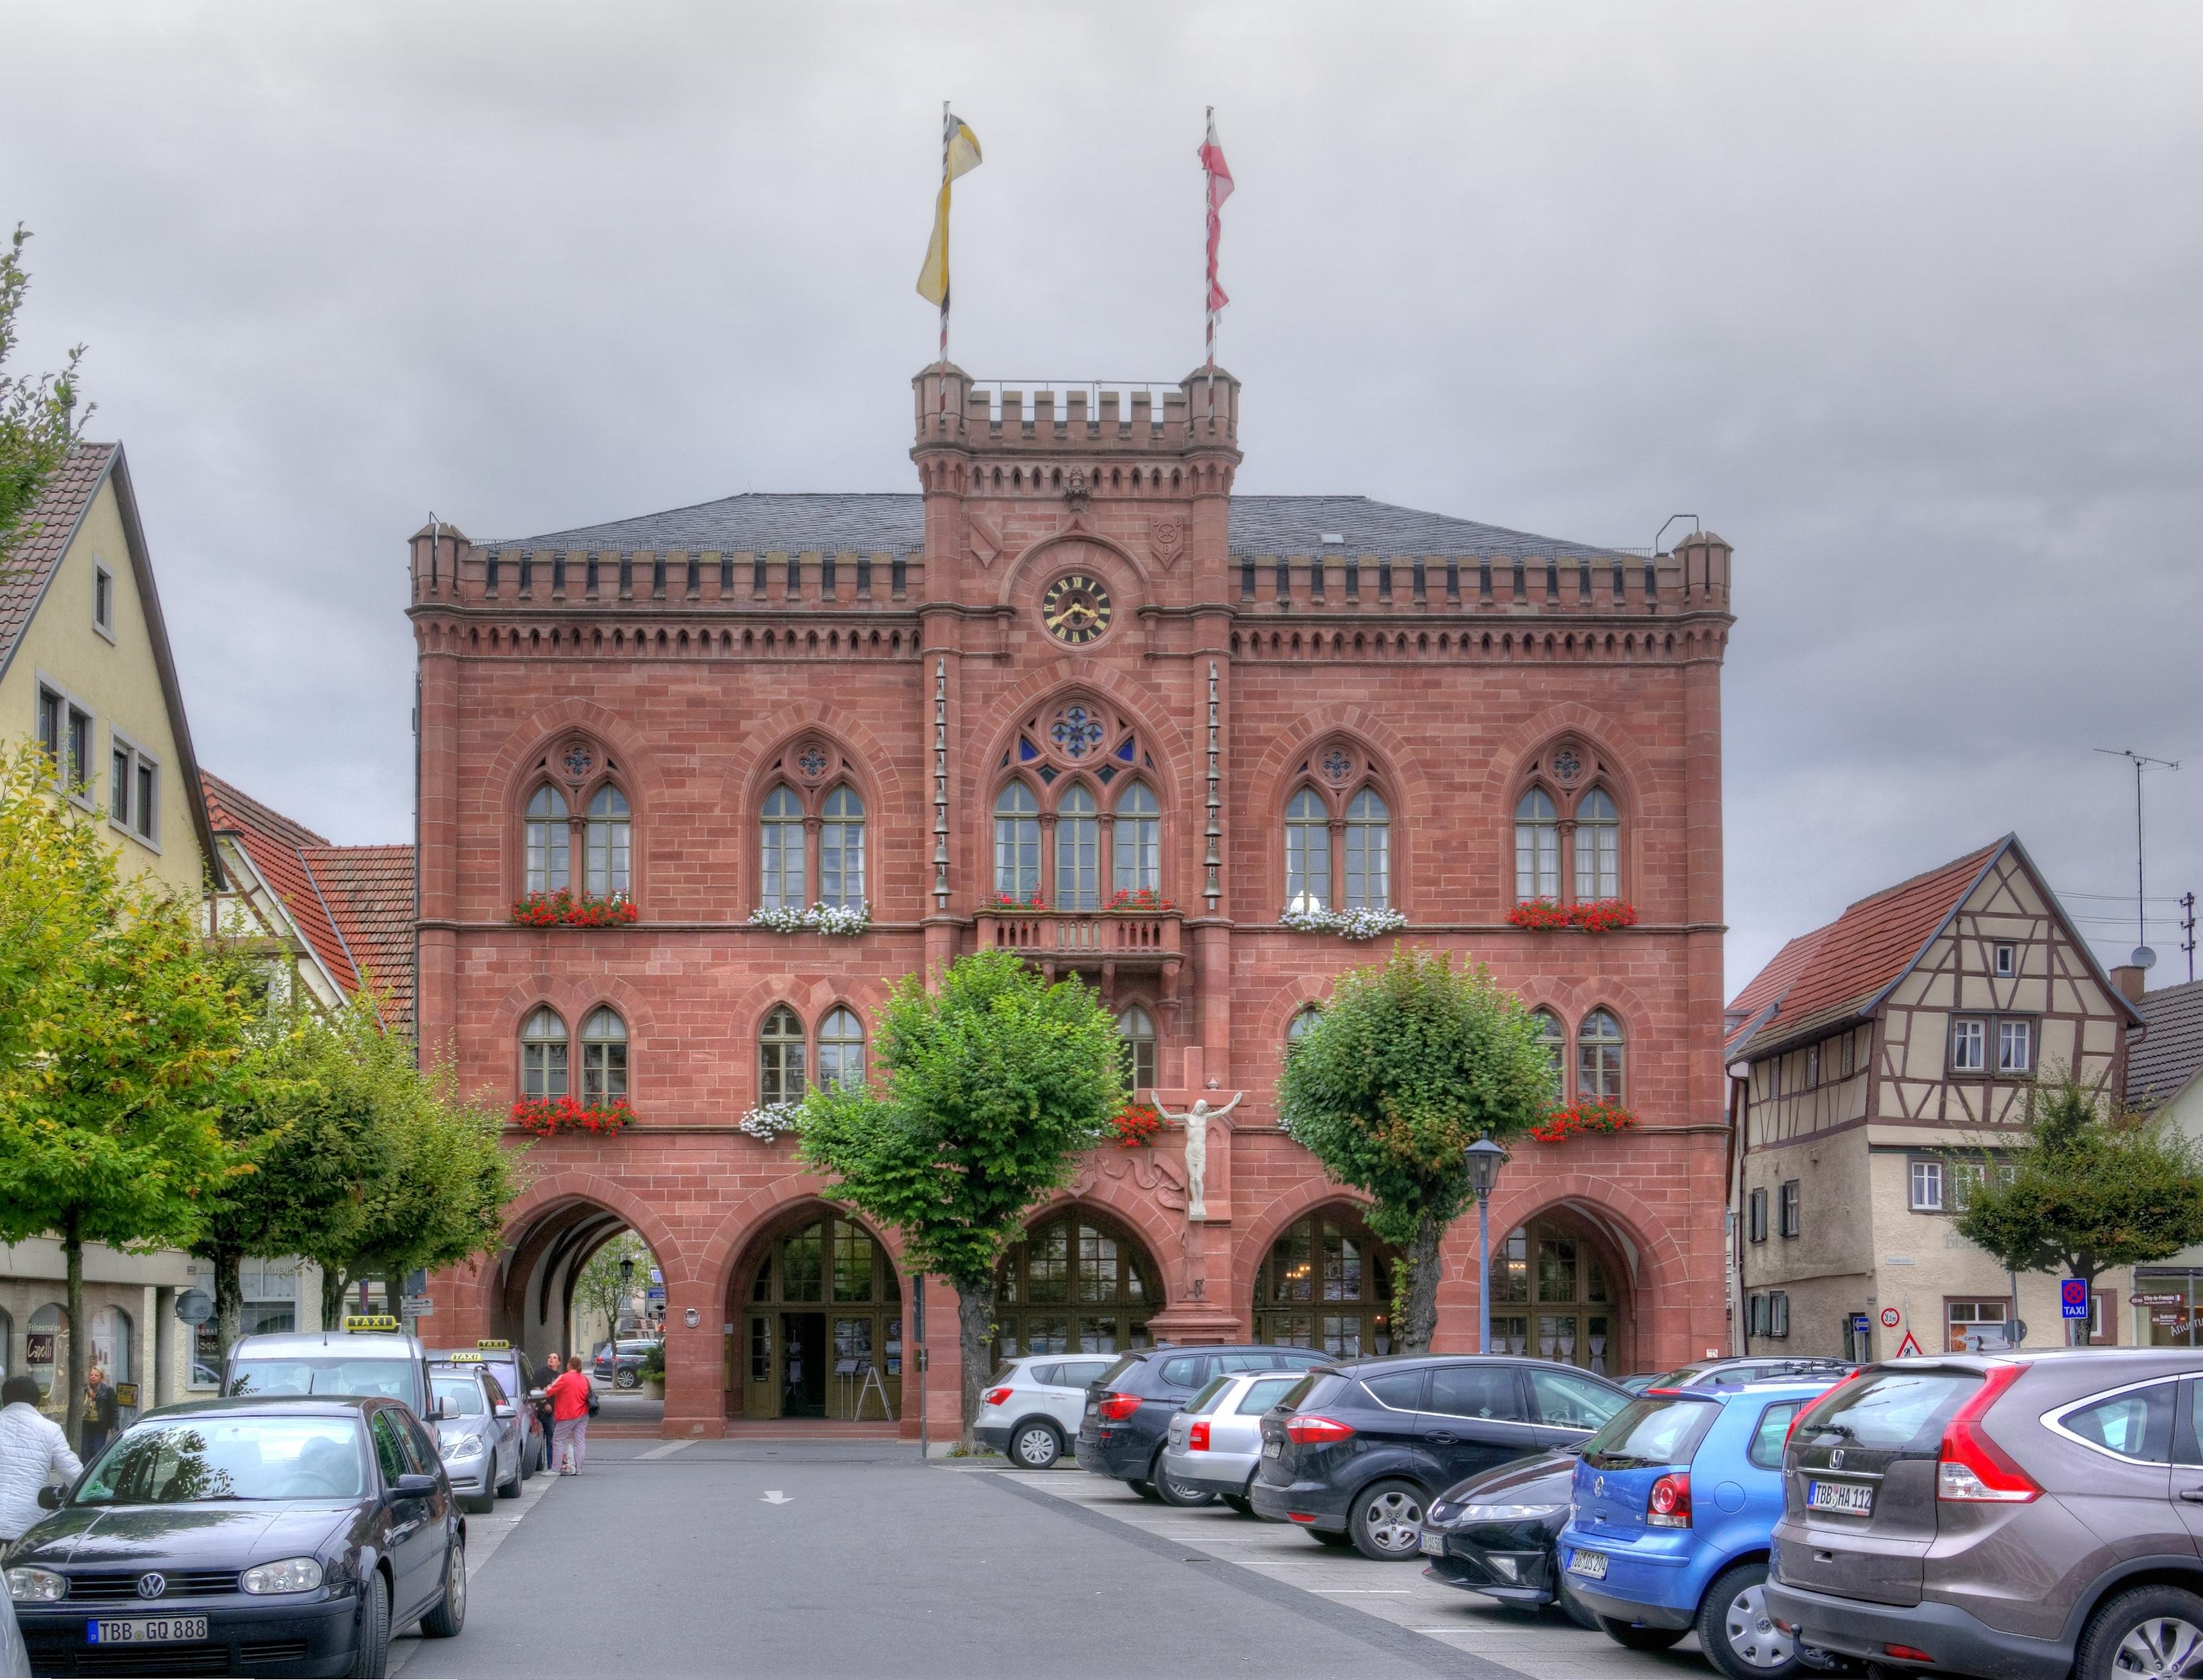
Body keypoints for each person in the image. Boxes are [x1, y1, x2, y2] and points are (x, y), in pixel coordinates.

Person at [0, 1374, 83, 1541]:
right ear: (37, 1399)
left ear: (4, 1398)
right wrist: (97, 1491)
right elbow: (73, 1473)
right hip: (27, 1519)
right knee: (20, 1559)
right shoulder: (50, 1429)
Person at [546, 1354, 591, 1475]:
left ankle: (556, 1469)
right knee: (580, 1441)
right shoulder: (585, 1379)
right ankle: (578, 1469)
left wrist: (544, 1390)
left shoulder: (565, 1377)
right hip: (584, 1413)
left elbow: (550, 1390)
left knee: (558, 1440)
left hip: (569, 1413)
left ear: (569, 1365)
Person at [81, 1364, 119, 1463]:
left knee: (97, 1450)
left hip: (100, 1425)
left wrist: (114, 1426)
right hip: (86, 1423)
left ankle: (97, 1469)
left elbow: (114, 1409)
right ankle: (86, 1470)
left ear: (101, 1378)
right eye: (91, 1375)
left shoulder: (108, 1390)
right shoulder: (84, 1389)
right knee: (85, 1451)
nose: (93, 1377)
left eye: (96, 1375)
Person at [531, 1352, 561, 1468]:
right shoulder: (541, 1373)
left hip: (556, 1411)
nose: (551, 1359)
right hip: (543, 1411)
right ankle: (552, 1466)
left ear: (559, 1363)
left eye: (554, 1358)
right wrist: (545, 1404)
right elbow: (535, 1389)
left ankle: (553, 1466)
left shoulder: (559, 1376)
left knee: (553, 1438)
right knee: (550, 1438)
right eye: (549, 1357)